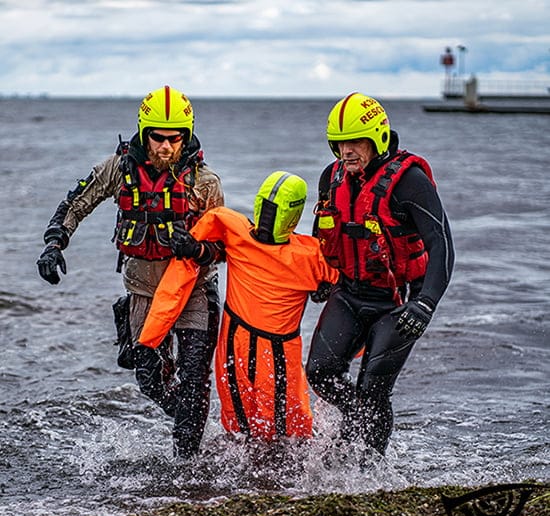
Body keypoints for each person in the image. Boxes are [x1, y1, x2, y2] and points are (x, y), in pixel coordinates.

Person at [36, 85, 224, 459]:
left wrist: (196, 249)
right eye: (157, 138)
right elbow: (77, 202)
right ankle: (192, 424)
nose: (166, 148)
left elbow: (221, 248)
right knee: (150, 380)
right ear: (143, 132)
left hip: (193, 292)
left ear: (186, 136)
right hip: (142, 289)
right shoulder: (118, 169)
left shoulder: (204, 183)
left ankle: (186, 462)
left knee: (194, 381)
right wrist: (55, 243)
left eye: (175, 139)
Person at [306, 93, 455, 457]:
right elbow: (322, 230)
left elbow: (442, 245)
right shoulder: (333, 177)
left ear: (379, 138)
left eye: (356, 141)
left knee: (374, 388)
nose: (347, 151)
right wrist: (322, 277)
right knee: (320, 373)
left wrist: (426, 305)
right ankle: (354, 432)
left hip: (398, 302)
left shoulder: (411, 182)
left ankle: (372, 471)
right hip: (350, 292)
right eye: (340, 143)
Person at [139, 171, 339, 441]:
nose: (268, 216)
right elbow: (184, 274)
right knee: (240, 430)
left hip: (273, 354)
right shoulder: (234, 230)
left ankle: (282, 478)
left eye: (274, 210)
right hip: (236, 349)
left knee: (286, 435)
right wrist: (195, 250)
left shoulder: (310, 255)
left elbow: (351, 293)